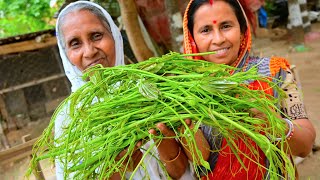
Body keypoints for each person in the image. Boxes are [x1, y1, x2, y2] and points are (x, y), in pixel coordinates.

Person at [54, 1, 196, 179]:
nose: (89, 51)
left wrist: (163, 141)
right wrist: (117, 166)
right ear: (65, 54)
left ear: (114, 35)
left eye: (96, 36)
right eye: (75, 43)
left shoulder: (150, 89)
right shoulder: (69, 118)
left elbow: (182, 172)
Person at [182, 0, 316, 179]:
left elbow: (306, 146)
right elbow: (186, 165)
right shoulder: (184, 91)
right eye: (206, 30)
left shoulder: (274, 72)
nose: (219, 39)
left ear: (243, 29)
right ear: (192, 37)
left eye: (226, 26)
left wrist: (271, 122)